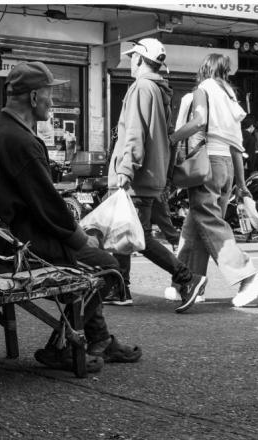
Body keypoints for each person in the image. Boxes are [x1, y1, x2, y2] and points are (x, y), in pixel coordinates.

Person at [0, 61, 142, 373]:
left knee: (92, 256)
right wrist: (81, 238)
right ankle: (62, 347)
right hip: (19, 250)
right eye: (49, 94)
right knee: (107, 266)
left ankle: (100, 340)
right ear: (34, 97)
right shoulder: (21, 142)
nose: (52, 102)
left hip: (4, 242)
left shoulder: (0, 133)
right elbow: (49, 209)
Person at [107, 38, 206, 313]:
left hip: (137, 177)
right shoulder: (160, 90)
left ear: (139, 59)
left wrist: (125, 169)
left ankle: (187, 278)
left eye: (132, 57)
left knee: (138, 237)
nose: (130, 62)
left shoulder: (141, 87)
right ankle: (120, 288)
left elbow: (135, 132)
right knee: (124, 233)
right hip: (151, 175)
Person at [169, 53, 258, 308]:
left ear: (203, 70)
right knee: (196, 225)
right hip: (226, 167)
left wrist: (171, 139)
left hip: (208, 164)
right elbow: (236, 145)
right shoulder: (230, 98)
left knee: (209, 222)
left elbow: (199, 121)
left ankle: (248, 277)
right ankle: (190, 283)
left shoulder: (203, 90)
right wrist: (242, 184)